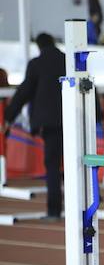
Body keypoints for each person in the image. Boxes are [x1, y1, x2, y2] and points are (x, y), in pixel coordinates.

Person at [2, 34, 66, 220]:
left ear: (39, 46)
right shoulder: (69, 60)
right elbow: (88, 84)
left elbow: (24, 92)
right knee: (79, 163)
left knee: (52, 165)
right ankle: (86, 204)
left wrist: (7, 117)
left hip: (49, 122)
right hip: (73, 120)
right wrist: (98, 116)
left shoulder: (36, 64)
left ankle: (54, 211)